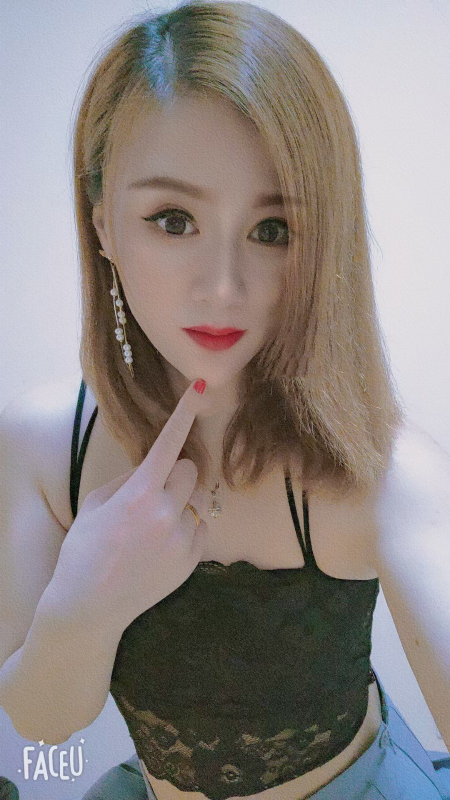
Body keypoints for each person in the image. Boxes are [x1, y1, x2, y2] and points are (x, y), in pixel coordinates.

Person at [0, 1, 449, 799]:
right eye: (173, 220)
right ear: (102, 225)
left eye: (272, 230)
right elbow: (43, 723)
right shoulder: (41, 444)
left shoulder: (378, 470)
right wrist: (85, 603)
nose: (222, 286)